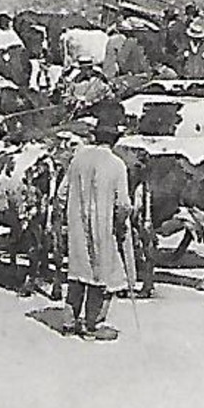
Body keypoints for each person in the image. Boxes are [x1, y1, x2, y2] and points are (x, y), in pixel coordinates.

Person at [54, 117, 135, 335]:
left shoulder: (77, 160)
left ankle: (69, 322)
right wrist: (122, 224)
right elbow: (123, 204)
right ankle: (93, 324)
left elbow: (61, 195)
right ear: (115, 140)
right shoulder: (117, 165)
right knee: (104, 274)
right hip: (103, 227)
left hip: (77, 226)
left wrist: (63, 220)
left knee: (78, 272)